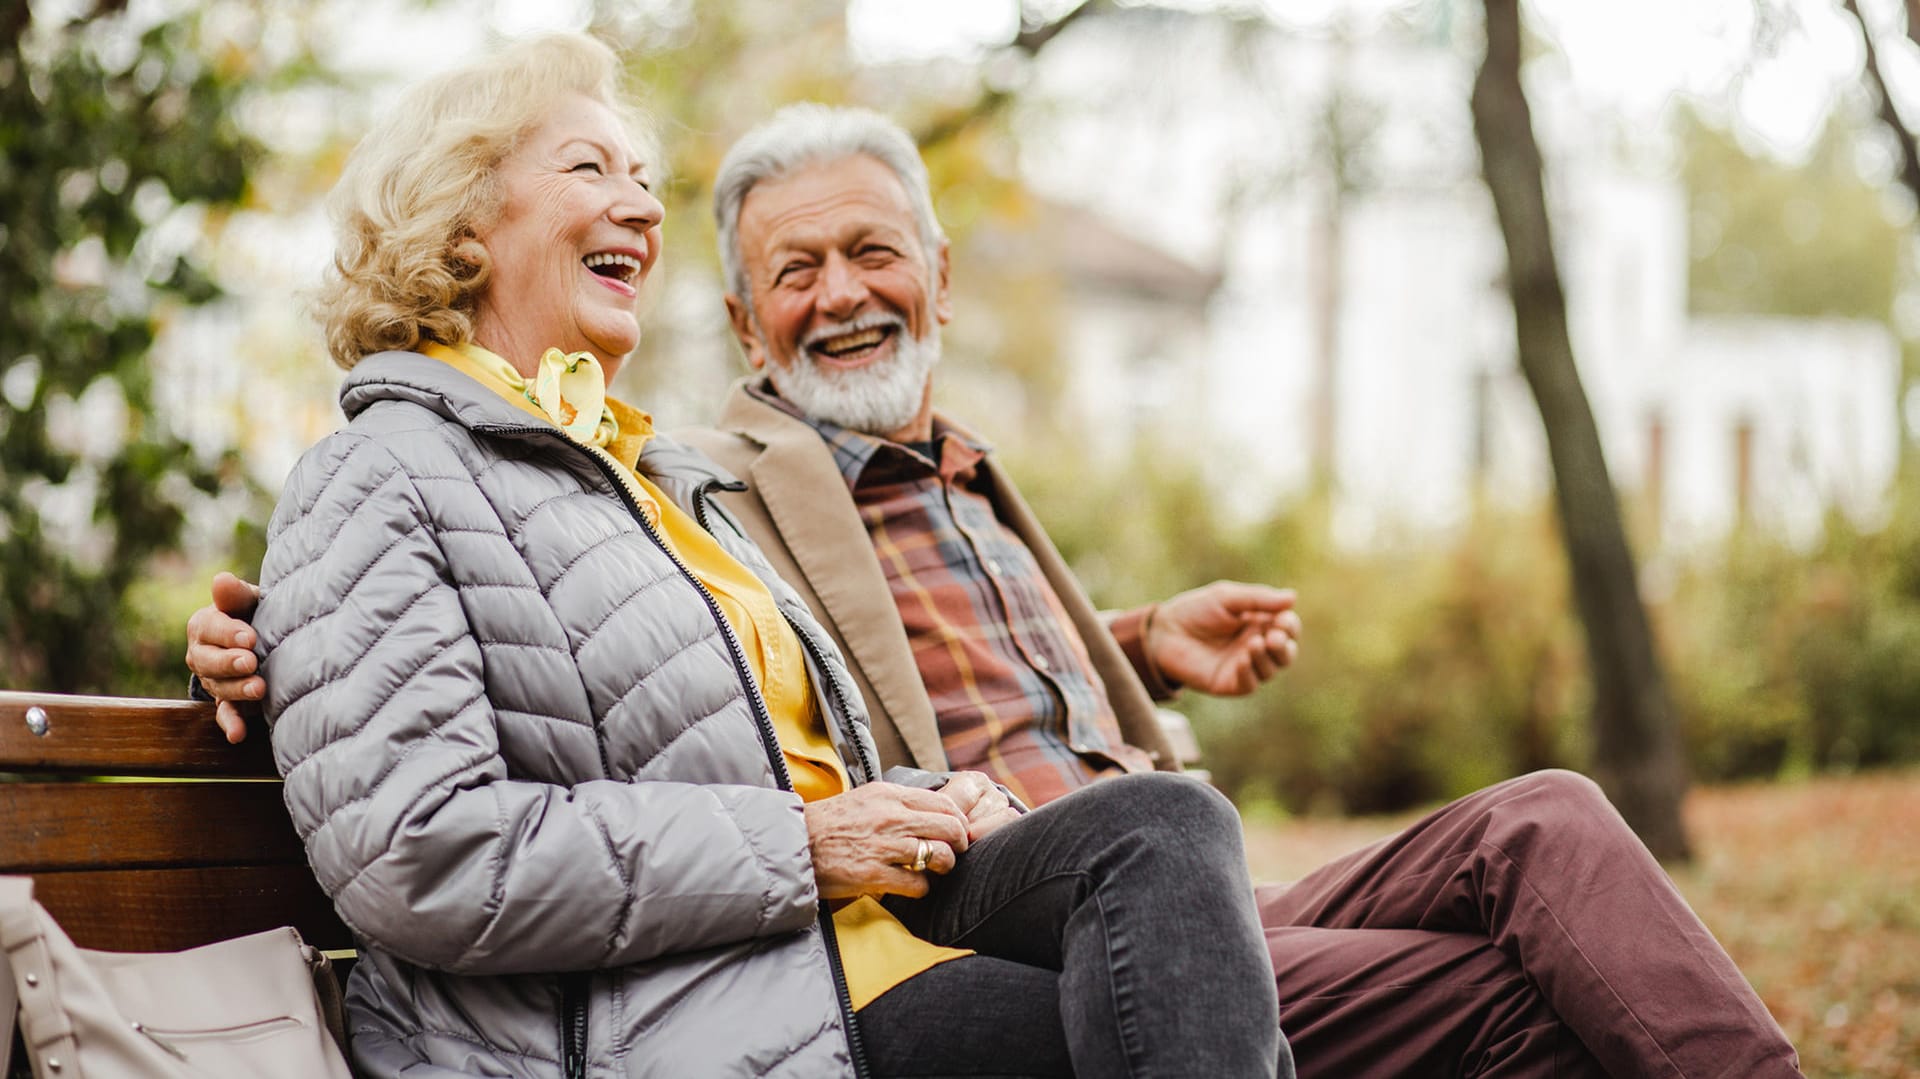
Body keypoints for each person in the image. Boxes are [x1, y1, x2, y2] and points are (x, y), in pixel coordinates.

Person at [192, 96, 1803, 1077]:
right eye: (791, 272)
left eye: (874, 255)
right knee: (1499, 999)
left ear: (944, 275)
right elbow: (429, 711)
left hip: (1108, 886)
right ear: (746, 326)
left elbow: (701, 663)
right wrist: (242, 635)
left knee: (1543, 822)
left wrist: (1134, 647)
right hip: (935, 922)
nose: (839, 298)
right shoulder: (711, 463)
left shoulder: (794, 478)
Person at [245, 35, 1281, 1079]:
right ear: (461, 220)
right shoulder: (377, 476)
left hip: (838, 940)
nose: (647, 210)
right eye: (590, 169)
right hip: (672, 1008)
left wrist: (929, 795)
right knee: (1197, 1025)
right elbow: (422, 852)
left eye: (643, 179)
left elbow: (760, 761)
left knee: (1166, 825)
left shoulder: (648, 474)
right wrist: (808, 844)